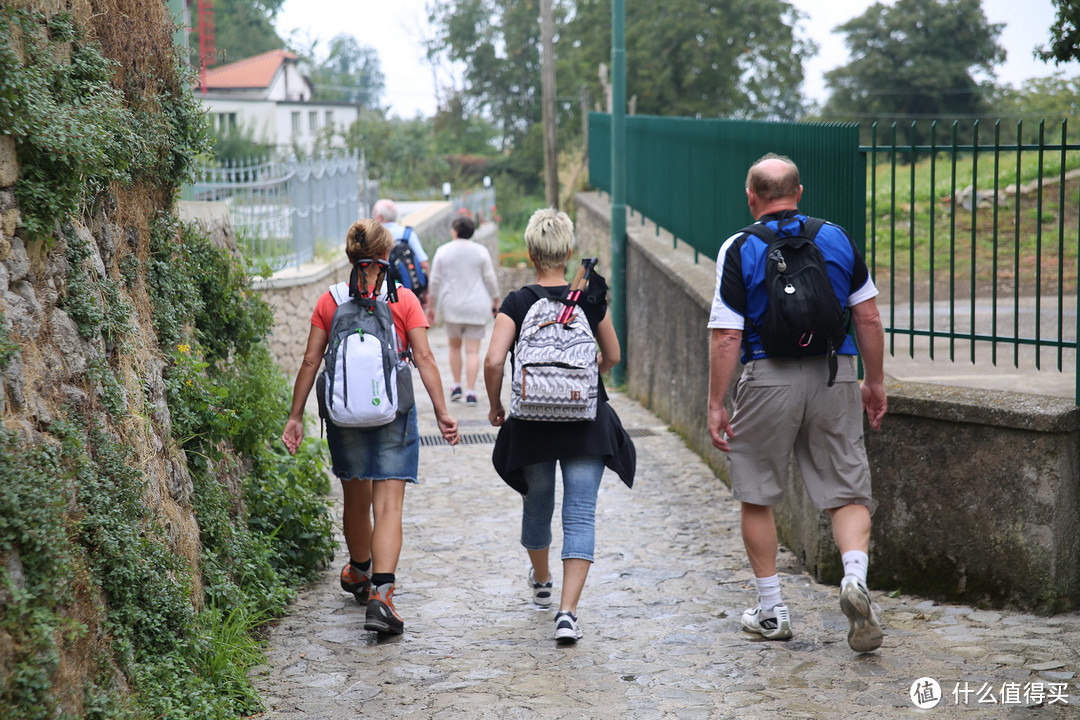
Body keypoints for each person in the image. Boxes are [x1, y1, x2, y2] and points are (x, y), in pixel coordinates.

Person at [706, 153, 888, 653]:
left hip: (767, 379)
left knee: (758, 494)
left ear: (751, 197)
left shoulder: (738, 247)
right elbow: (868, 319)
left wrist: (716, 402)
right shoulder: (836, 237)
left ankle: (772, 611)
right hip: (835, 374)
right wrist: (873, 381)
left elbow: (726, 337)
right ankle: (855, 579)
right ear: (799, 192)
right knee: (847, 492)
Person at [282, 218, 459, 636]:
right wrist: (442, 411)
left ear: (351, 254)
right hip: (394, 415)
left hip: (344, 416)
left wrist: (295, 416)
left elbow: (310, 361)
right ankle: (381, 595)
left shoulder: (330, 300)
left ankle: (359, 571)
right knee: (389, 506)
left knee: (355, 499)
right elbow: (426, 358)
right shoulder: (403, 299)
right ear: (387, 255)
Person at [484, 208, 635, 644]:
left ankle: (543, 579)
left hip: (532, 421)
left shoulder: (517, 301)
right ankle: (567, 614)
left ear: (531, 253)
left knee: (538, 504)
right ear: (568, 253)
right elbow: (614, 355)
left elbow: (494, 360)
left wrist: (496, 406)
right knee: (581, 514)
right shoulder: (588, 298)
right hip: (586, 420)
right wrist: (585, 376)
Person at [426, 215, 501, 406]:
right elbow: (490, 278)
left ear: (454, 231)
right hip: (477, 306)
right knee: (472, 351)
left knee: (454, 346)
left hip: (452, 306)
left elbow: (434, 280)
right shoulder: (481, 251)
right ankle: (470, 391)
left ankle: (457, 385)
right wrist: (495, 299)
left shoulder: (443, 251)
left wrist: (431, 304)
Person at [373, 198, 430, 291]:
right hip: (407, 292)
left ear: (380, 217)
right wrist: (427, 293)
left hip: (382, 292)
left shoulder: (374, 236)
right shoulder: (407, 234)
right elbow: (424, 264)